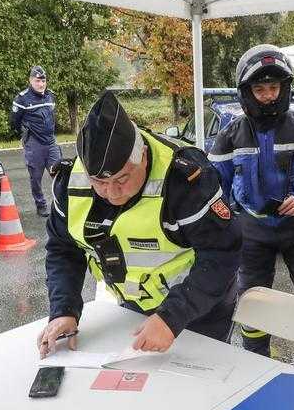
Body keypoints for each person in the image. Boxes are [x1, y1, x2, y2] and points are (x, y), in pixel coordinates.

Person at [38, 91, 240, 356]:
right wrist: (64, 310)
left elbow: (222, 254)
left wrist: (171, 317)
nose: (111, 193)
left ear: (142, 156)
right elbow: (64, 250)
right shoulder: (70, 182)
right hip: (135, 301)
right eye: (97, 182)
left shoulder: (185, 179)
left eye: (122, 180)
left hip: (198, 305)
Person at [210, 45, 294, 356]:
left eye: (273, 87)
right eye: (259, 88)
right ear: (247, 91)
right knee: (252, 303)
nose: (268, 95)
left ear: (284, 88)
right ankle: (257, 360)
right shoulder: (230, 134)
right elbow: (215, 191)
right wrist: (222, 226)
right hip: (251, 235)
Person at [11, 65, 61, 216]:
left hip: (51, 142)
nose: (41, 84)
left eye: (43, 81)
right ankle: (41, 205)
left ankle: (61, 205)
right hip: (34, 144)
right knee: (36, 177)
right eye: (37, 80)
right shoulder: (22, 99)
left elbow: (52, 116)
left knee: (59, 174)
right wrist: (24, 136)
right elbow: (14, 122)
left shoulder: (50, 96)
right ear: (31, 80)